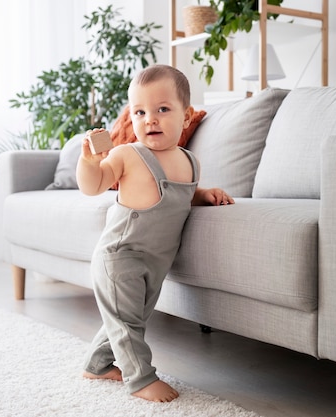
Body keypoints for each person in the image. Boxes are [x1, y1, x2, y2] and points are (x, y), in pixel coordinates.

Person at [76, 64, 235, 403]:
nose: (150, 119)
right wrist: (90, 164)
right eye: (140, 111)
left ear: (187, 115)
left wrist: (202, 194)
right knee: (126, 323)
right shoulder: (126, 155)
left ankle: (98, 364)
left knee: (130, 318)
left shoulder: (190, 161)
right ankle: (141, 379)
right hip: (119, 257)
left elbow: (181, 193)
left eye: (162, 109)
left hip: (156, 264)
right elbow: (93, 187)